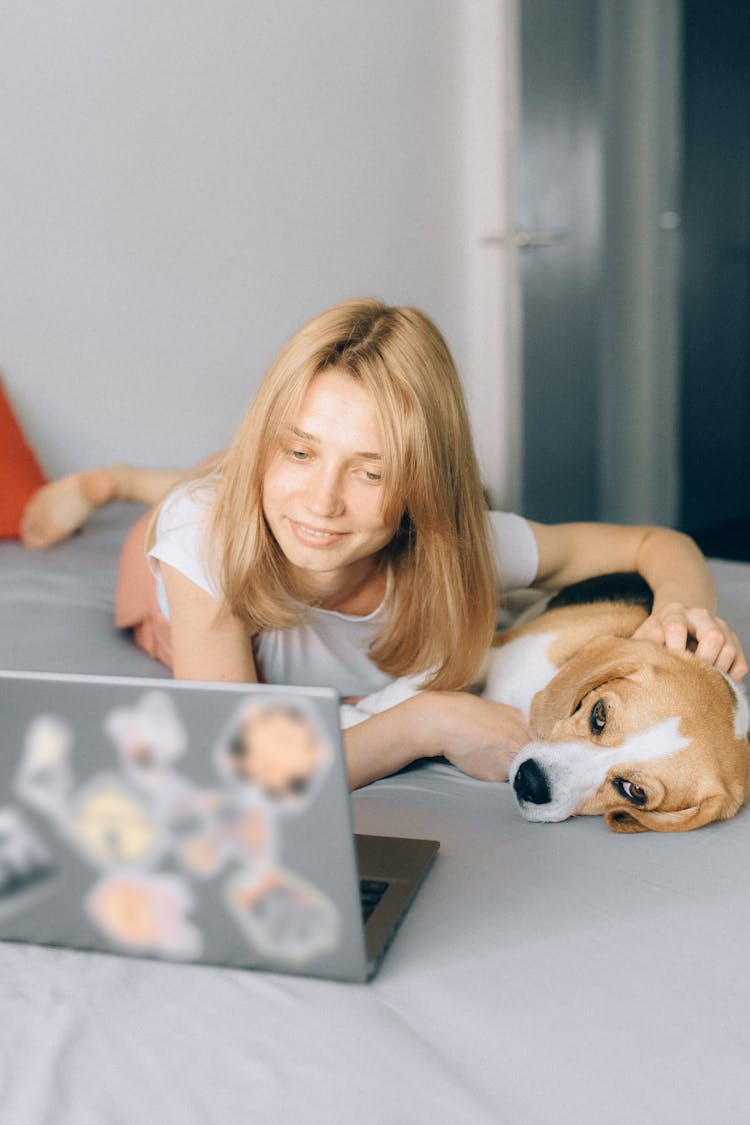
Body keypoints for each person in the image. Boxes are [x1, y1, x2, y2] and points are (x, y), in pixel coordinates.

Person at [20, 299, 748, 790]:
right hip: (177, 544)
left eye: (373, 471)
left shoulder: (467, 550)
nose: (327, 499)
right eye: (297, 449)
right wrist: (430, 719)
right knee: (212, 491)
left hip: (274, 496)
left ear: (422, 488)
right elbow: (237, 772)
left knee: (286, 493)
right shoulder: (202, 542)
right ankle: (113, 483)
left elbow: (658, 542)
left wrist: (687, 607)